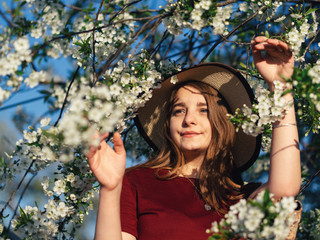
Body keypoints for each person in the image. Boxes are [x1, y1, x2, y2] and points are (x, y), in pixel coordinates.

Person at [87, 36, 301, 240]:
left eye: (203, 110)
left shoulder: (242, 199)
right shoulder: (138, 182)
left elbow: (284, 188)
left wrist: (282, 87)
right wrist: (110, 189)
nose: (189, 119)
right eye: (178, 111)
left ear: (223, 122)